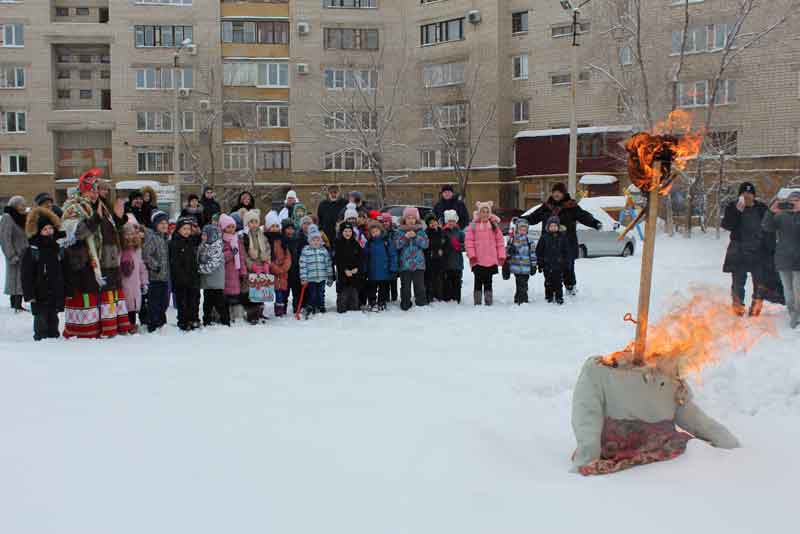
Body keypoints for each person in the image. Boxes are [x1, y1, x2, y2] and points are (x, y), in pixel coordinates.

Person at [61, 169, 131, 338]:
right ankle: (86, 329)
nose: (94, 193)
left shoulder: (102, 206)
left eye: (95, 189)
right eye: (90, 189)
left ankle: (109, 327)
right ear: (82, 189)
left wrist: (119, 219)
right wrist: (96, 219)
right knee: (88, 294)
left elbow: (109, 229)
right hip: (84, 261)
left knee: (108, 292)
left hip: (107, 258)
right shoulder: (73, 207)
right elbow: (74, 234)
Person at [523, 183, 602, 295]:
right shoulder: (546, 207)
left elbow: (583, 216)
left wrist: (595, 223)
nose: (556, 194)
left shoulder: (571, 206)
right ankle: (551, 291)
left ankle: (570, 288)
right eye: (554, 192)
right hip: (549, 245)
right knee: (550, 269)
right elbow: (533, 217)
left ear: (563, 193)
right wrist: (521, 219)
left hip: (567, 245)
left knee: (568, 268)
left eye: (559, 192)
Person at [721, 182, 770, 316]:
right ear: (740, 195)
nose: (747, 196)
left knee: (759, 283)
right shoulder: (733, 207)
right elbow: (726, 225)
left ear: (754, 195)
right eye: (744, 193)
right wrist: (737, 211)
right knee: (738, 283)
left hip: (758, 251)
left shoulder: (761, 208)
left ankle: (755, 308)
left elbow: (769, 227)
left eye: (750, 193)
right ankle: (738, 309)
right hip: (739, 251)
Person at [21, 206, 65, 340]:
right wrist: (29, 294)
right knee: (41, 319)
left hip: (54, 289)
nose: (49, 231)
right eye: (45, 229)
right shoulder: (33, 250)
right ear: (39, 231)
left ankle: (54, 336)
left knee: (53, 317)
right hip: (38, 291)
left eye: (50, 228)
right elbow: (26, 274)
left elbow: (63, 270)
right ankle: (41, 341)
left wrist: (65, 289)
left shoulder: (57, 248)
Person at [762, 191, 800, 328]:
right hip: (783, 259)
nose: (793, 203)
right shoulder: (781, 216)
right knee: (788, 291)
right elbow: (767, 227)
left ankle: (796, 316)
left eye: (796, 200)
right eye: (791, 200)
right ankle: (793, 313)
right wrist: (771, 212)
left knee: (798, 290)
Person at [465, 201, 506, 306]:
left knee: (488, 281)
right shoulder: (473, 226)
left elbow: (500, 242)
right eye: (483, 211)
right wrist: (472, 255)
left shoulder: (494, 226)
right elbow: (469, 242)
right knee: (478, 281)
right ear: (479, 213)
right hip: (477, 260)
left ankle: (488, 301)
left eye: (487, 212)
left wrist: (501, 255)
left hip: (490, 259)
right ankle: (477, 302)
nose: (485, 214)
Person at [169, 217, 201, 331]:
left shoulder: (191, 241)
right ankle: (183, 321)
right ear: (178, 230)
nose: (187, 231)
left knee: (194, 299)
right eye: (184, 229)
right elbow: (175, 262)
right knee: (183, 301)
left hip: (192, 276)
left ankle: (194, 319)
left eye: (189, 229)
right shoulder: (175, 242)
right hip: (181, 278)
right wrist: (180, 276)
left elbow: (200, 238)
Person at [396, 207, 429, 311]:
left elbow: (425, 244)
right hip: (405, 265)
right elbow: (397, 245)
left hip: (418, 264)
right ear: (404, 219)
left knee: (419, 285)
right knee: (405, 286)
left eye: (413, 218)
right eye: (408, 218)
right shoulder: (399, 231)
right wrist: (405, 237)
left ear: (417, 219)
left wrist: (415, 237)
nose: (410, 220)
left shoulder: (421, 231)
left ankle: (421, 302)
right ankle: (405, 302)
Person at [241, 209, 271, 324]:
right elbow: (243, 254)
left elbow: (268, 249)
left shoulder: (262, 236)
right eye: (251, 222)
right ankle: (251, 314)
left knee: (261, 291)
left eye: (255, 221)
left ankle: (260, 312)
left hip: (262, 267)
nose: (254, 224)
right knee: (251, 293)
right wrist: (252, 265)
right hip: (251, 268)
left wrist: (267, 262)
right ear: (247, 224)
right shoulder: (244, 237)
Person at [142, 210, 171, 332]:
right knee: (154, 302)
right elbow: (146, 255)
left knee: (164, 302)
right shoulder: (153, 238)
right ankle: (153, 324)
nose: (164, 225)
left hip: (164, 277)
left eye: (166, 223)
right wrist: (156, 266)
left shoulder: (165, 238)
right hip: (154, 277)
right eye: (161, 223)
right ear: (155, 225)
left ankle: (161, 322)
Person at [198, 223, 230, 327]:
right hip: (208, 283)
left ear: (212, 236)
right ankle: (206, 320)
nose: (202, 237)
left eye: (205, 235)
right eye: (202, 235)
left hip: (216, 282)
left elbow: (212, 266)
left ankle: (225, 320)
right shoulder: (204, 246)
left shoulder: (216, 248)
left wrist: (198, 269)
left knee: (220, 303)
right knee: (207, 303)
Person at [299, 224, 333, 317]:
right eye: (313, 240)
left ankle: (321, 306)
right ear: (309, 241)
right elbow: (303, 265)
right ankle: (313, 306)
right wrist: (304, 278)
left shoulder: (323, 251)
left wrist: (330, 276)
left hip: (322, 277)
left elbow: (328, 264)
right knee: (312, 294)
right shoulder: (306, 251)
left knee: (321, 293)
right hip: (311, 278)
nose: (316, 242)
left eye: (318, 240)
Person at [120, 219, 148, 333]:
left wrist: (144, 282)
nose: (129, 237)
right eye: (127, 234)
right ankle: (127, 325)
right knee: (126, 304)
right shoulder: (121, 250)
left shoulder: (137, 249)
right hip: (124, 281)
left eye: (132, 234)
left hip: (135, 282)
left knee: (135, 304)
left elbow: (141, 266)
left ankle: (133, 324)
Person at [1, 195, 28, 312]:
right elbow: (4, 238)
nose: (24, 207)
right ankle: (15, 304)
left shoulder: (22, 218)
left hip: (24, 254)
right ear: (15, 205)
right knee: (15, 279)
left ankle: (18, 303)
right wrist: (11, 255)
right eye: (22, 204)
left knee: (21, 279)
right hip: (15, 254)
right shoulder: (8, 217)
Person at [364, 219, 397, 311]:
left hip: (384, 270)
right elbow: (365, 257)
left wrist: (393, 268)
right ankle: (372, 302)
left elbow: (392, 255)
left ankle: (382, 302)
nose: (375, 233)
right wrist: (365, 269)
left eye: (376, 231)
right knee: (372, 289)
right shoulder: (369, 243)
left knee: (383, 288)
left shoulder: (387, 242)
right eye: (373, 232)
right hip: (372, 271)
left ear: (381, 230)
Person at [219, 213, 247, 322]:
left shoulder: (237, 240)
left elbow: (241, 257)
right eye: (228, 227)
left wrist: (243, 271)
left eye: (233, 227)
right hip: (225, 273)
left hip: (236, 272)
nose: (231, 229)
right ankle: (226, 314)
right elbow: (221, 257)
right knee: (226, 295)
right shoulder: (221, 241)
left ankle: (236, 315)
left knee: (235, 295)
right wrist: (231, 253)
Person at [536, 216, 570, 305]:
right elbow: (539, 251)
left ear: (558, 227)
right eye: (551, 226)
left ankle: (559, 297)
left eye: (555, 226)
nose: (553, 228)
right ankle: (549, 296)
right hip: (547, 265)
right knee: (548, 282)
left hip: (559, 265)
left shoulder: (562, 237)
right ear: (548, 227)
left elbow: (566, 251)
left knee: (558, 282)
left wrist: (566, 262)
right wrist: (540, 264)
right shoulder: (544, 237)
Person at [264, 211, 292, 317]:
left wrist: (284, 267)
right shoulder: (266, 239)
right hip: (272, 270)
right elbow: (266, 256)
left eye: (276, 226)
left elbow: (288, 255)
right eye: (272, 226)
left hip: (283, 270)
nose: (275, 228)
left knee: (282, 290)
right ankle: (268, 309)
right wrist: (274, 267)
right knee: (275, 290)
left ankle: (280, 309)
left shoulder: (282, 239)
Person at [334, 222, 363, 313]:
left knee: (354, 295)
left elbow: (360, 257)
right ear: (341, 232)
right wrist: (345, 270)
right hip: (343, 275)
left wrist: (357, 268)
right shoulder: (338, 244)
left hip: (354, 275)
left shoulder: (355, 244)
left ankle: (354, 305)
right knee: (343, 295)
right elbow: (337, 260)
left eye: (350, 231)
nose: (347, 233)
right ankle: (342, 305)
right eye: (345, 231)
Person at [508, 218, 537, 305]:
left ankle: (522, 298)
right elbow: (507, 252)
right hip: (516, 266)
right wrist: (510, 250)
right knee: (519, 283)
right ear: (517, 229)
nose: (523, 231)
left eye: (525, 229)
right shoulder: (513, 240)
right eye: (521, 229)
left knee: (524, 283)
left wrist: (534, 265)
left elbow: (532, 254)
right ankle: (520, 298)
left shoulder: (529, 241)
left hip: (526, 267)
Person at [441, 210, 465, 303]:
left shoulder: (460, 232)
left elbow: (465, 245)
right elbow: (440, 244)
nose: (451, 223)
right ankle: (447, 297)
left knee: (457, 281)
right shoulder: (443, 232)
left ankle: (457, 298)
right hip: (446, 262)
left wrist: (459, 246)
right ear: (446, 221)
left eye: (453, 221)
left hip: (457, 262)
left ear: (456, 221)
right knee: (447, 281)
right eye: (449, 221)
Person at [281, 219, 303, 314]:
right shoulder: (281, 241)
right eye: (288, 229)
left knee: (296, 292)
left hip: (295, 270)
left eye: (292, 229)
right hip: (285, 272)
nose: (290, 231)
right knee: (284, 293)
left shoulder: (297, 240)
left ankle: (296, 309)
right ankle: (282, 309)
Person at [423, 213, 446, 302]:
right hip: (430, 259)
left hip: (440, 259)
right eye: (430, 223)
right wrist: (432, 250)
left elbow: (445, 242)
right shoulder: (426, 232)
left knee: (439, 278)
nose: (433, 224)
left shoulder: (441, 231)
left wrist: (442, 248)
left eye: (434, 221)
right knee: (430, 279)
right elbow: (427, 245)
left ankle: (439, 295)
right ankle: (430, 296)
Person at [379, 213, 400, 302]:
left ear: (390, 222)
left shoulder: (395, 232)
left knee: (393, 280)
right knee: (385, 280)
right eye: (383, 222)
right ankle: (386, 297)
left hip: (393, 258)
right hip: (384, 259)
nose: (385, 223)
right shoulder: (380, 232)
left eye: (387, 221)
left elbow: (397, 245)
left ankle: (394, 297)